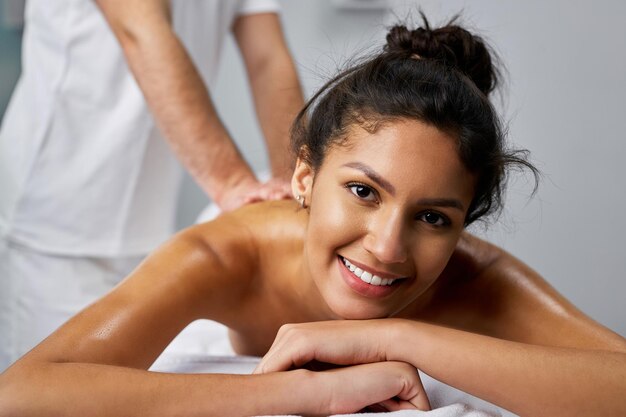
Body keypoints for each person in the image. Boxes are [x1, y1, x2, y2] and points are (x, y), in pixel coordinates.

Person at [1, 17, 625, 416]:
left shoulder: (476, 280)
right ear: (305, 176)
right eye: (362, 191)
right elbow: (23, 393)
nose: (387, 246)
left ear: (465, 226)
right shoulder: (226, 256)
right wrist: (308, 391)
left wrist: (390, 338)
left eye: (433, 218)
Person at [0, 0, 304, 370]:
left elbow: (267, 58)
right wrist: (235, 185)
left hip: (149, 228)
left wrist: (296, 182)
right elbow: (141, 32)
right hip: (57, 228)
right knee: (49, 390)